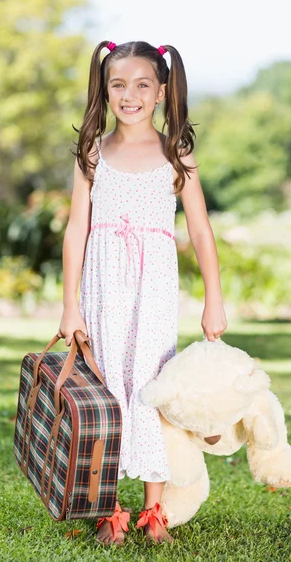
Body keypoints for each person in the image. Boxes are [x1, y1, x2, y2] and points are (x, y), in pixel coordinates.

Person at [58, 40, 228, 545]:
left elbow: (199, 228)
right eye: (118, 84)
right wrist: (70, 304)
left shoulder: (176, 151)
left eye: (141, 84)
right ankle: (109, 508)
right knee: (106, 389)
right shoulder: (94, 151)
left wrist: (212, 298)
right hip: (102, 286)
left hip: (153, 286)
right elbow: (75, 230)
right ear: (104, 90)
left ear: (161, 91)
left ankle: (154, 511)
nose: (129, 94)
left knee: (151, 387)